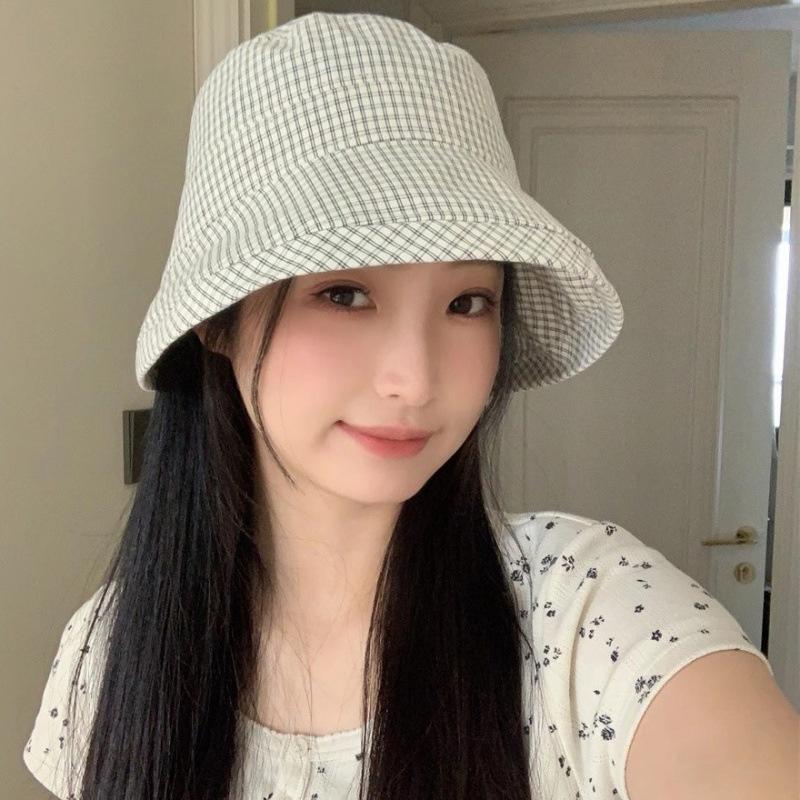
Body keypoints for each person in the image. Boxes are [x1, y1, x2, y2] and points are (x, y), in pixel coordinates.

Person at [22, 11, 789, 800]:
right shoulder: (109, 654)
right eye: (344, 293)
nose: (415, 380)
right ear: (217, 321)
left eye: (467, 303)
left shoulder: (587, 615)